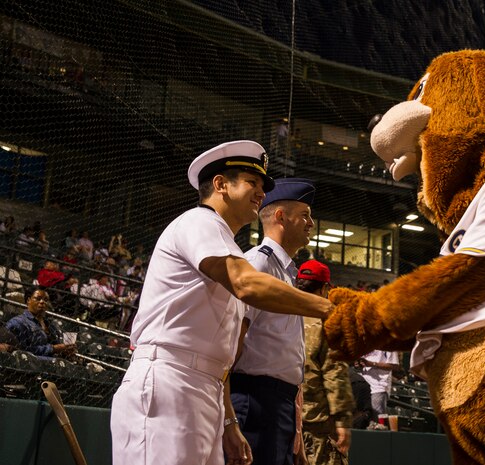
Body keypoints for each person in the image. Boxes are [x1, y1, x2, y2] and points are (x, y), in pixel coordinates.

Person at [110, 141, 332, 465]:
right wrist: (329, 308)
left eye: (262, 185)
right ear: (220, 185)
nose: (260, 192)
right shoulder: (199, 221)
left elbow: (227, 355)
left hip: (207, 388)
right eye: (252, 182)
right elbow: (244, 283)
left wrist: (228, 422)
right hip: (169, 376)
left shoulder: (230, 247)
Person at [230, 178, 317, 465]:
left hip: (281, 404)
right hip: (254, 400)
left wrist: (297, 428)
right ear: (281, 217)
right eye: (304, 215)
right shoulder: (258, 263)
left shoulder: (287, 271)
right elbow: (233, 345)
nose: (311, 223)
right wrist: (229, 418)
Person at [298, 260, 355, 465]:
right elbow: (335, 374)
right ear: (325, 288)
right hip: (318, 424)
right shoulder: (326, 321)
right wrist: (342, 421)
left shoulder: (281, 315)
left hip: (284, 417)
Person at [4, 288, 77, 359]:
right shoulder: (17, 323)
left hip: (53, 365)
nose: (42, 302)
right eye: (38, 299)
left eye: (45, 300)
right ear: (28, 300)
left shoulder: (51, 325)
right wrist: (53, 349)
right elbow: (21, 351)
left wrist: (65, 351)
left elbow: (57, 347)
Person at [359, 350, 400, 418]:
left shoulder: (388, 342)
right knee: (363, 419)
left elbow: (394, 365)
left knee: (378, 420)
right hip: (363, 384)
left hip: (378, 386)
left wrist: (372, 364)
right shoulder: (364, 342)